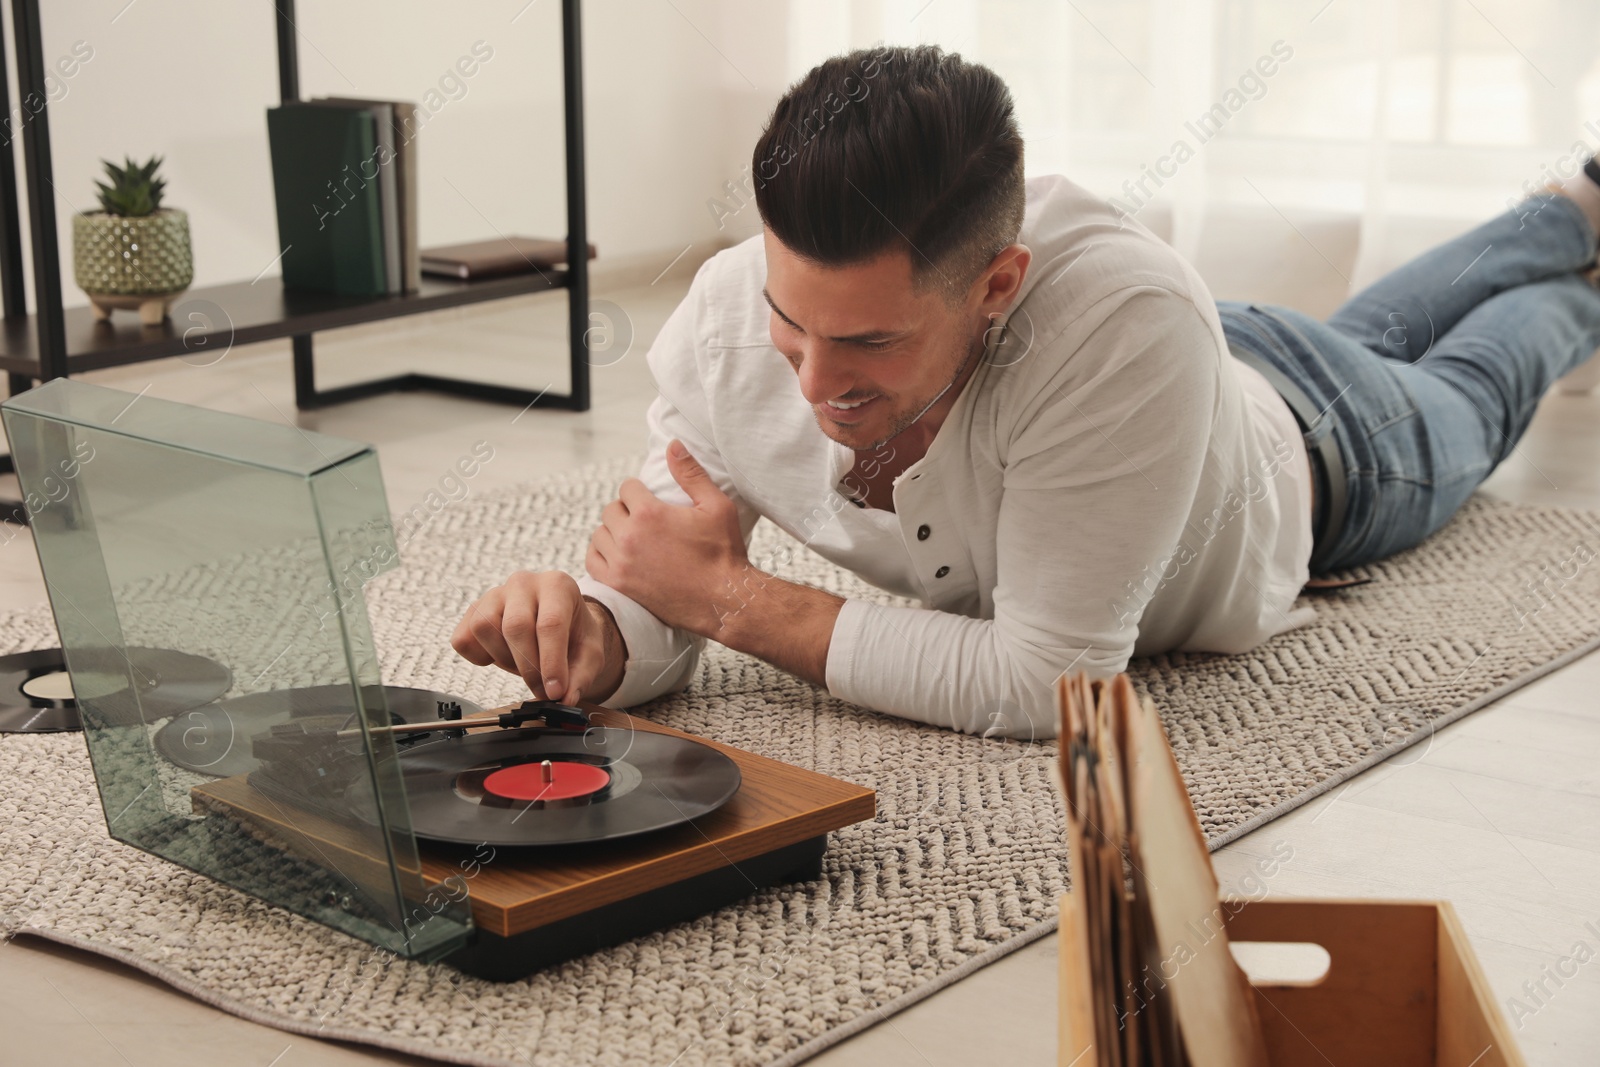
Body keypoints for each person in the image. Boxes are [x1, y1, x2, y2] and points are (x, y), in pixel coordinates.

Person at [451, 45, 1600, 739]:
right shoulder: (724, 315)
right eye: (788, 321)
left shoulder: (1122, 327)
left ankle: (1585, 277)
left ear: (998, 283)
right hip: (1206, 369)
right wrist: (594, 633)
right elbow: (670, 571)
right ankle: (1567, 210)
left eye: (865, 343)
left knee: (1466, 380)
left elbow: (1050, 682)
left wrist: (736, 603)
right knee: (1385, 325)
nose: (811, 383)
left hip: (1319, 445)